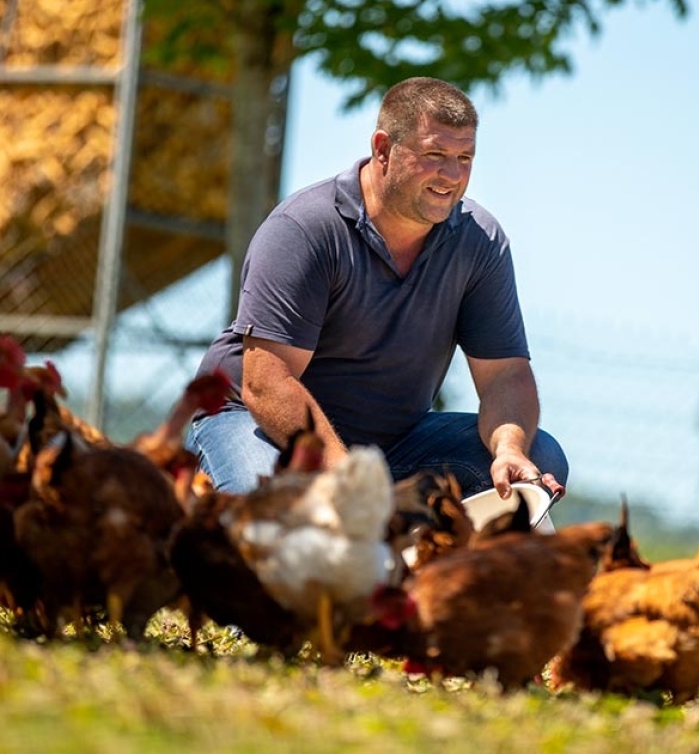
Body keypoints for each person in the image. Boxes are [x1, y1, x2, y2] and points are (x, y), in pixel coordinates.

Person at [188, 76, 567, 505]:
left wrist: (508, 448)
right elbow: (267, 384)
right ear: (383, 149)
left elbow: (505, 374)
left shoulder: (480, 240)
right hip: (256, 424)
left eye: (465, 157)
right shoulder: (304, 229)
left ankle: (425, 567)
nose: (453, 175)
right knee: (275, 517)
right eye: (434, 155)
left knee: (541, 453)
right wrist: (345, 476)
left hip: (392, 445)